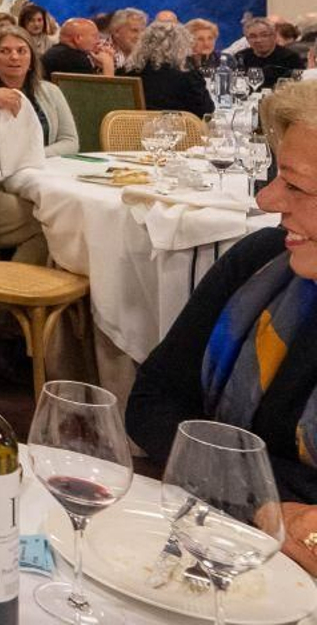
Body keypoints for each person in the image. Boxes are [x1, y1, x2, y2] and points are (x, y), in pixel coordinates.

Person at [128, 83, 317, 533]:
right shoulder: (261, 264)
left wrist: (220, 469)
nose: (266, 200)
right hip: (218, 536)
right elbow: (152, 404)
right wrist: (267, 503)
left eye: (295, 185)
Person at [0, 25, 76, 264]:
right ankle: (15, 286)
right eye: (5, 51)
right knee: (52, 221)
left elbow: (70, 142)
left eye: (21, 50)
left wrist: (30, 157)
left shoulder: (50, 92)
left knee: (66, 213)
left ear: (32, 58)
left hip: (40, 178)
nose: (14, 57)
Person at [124, 21, 215, 116]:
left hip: (131, 124)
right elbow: (207, 110)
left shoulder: (126, 72)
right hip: (177, 125)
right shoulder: (188, 75)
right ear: (181, 46)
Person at [40, 17, 117, 80]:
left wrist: (99, 65)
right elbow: (102, 92)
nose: (98, 41)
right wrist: (108, 63)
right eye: (94, 36)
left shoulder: (57, 52)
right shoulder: (73, 58)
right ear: (78, 38)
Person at [239, 17, 306, 86]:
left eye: (264, 35)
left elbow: (300, 85)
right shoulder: (240, 57)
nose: (258, 40)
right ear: (247, 39)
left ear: (274, 36)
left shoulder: (290, 58)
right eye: (253, 36)